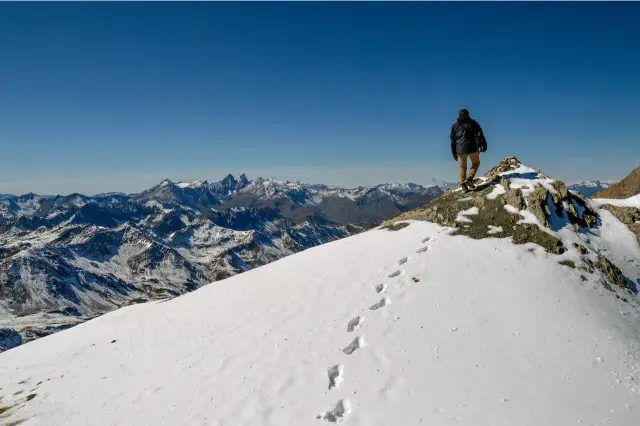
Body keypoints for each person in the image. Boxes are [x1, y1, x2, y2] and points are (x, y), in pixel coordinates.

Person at [450, 109, 487, 192]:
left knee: (462, 167)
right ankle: (469, 179)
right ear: (468, 114)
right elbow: (480, 134)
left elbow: (452, 141)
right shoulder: (473, 123)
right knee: (476, 163)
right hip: (472, 148)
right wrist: (484, 144)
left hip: (460, 150)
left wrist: (454, 153)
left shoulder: (454, 126)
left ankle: (463, 185)